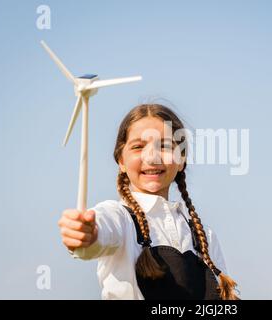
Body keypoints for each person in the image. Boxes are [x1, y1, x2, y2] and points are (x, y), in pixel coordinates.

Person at [58, 103, 239, 300]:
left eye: (165, 146)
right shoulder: (120, 218)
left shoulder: (204, 238)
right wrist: (87, 233)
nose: (152, 157)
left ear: (181, 159)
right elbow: (98, 233)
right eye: (138, 147)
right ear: (121, 161)